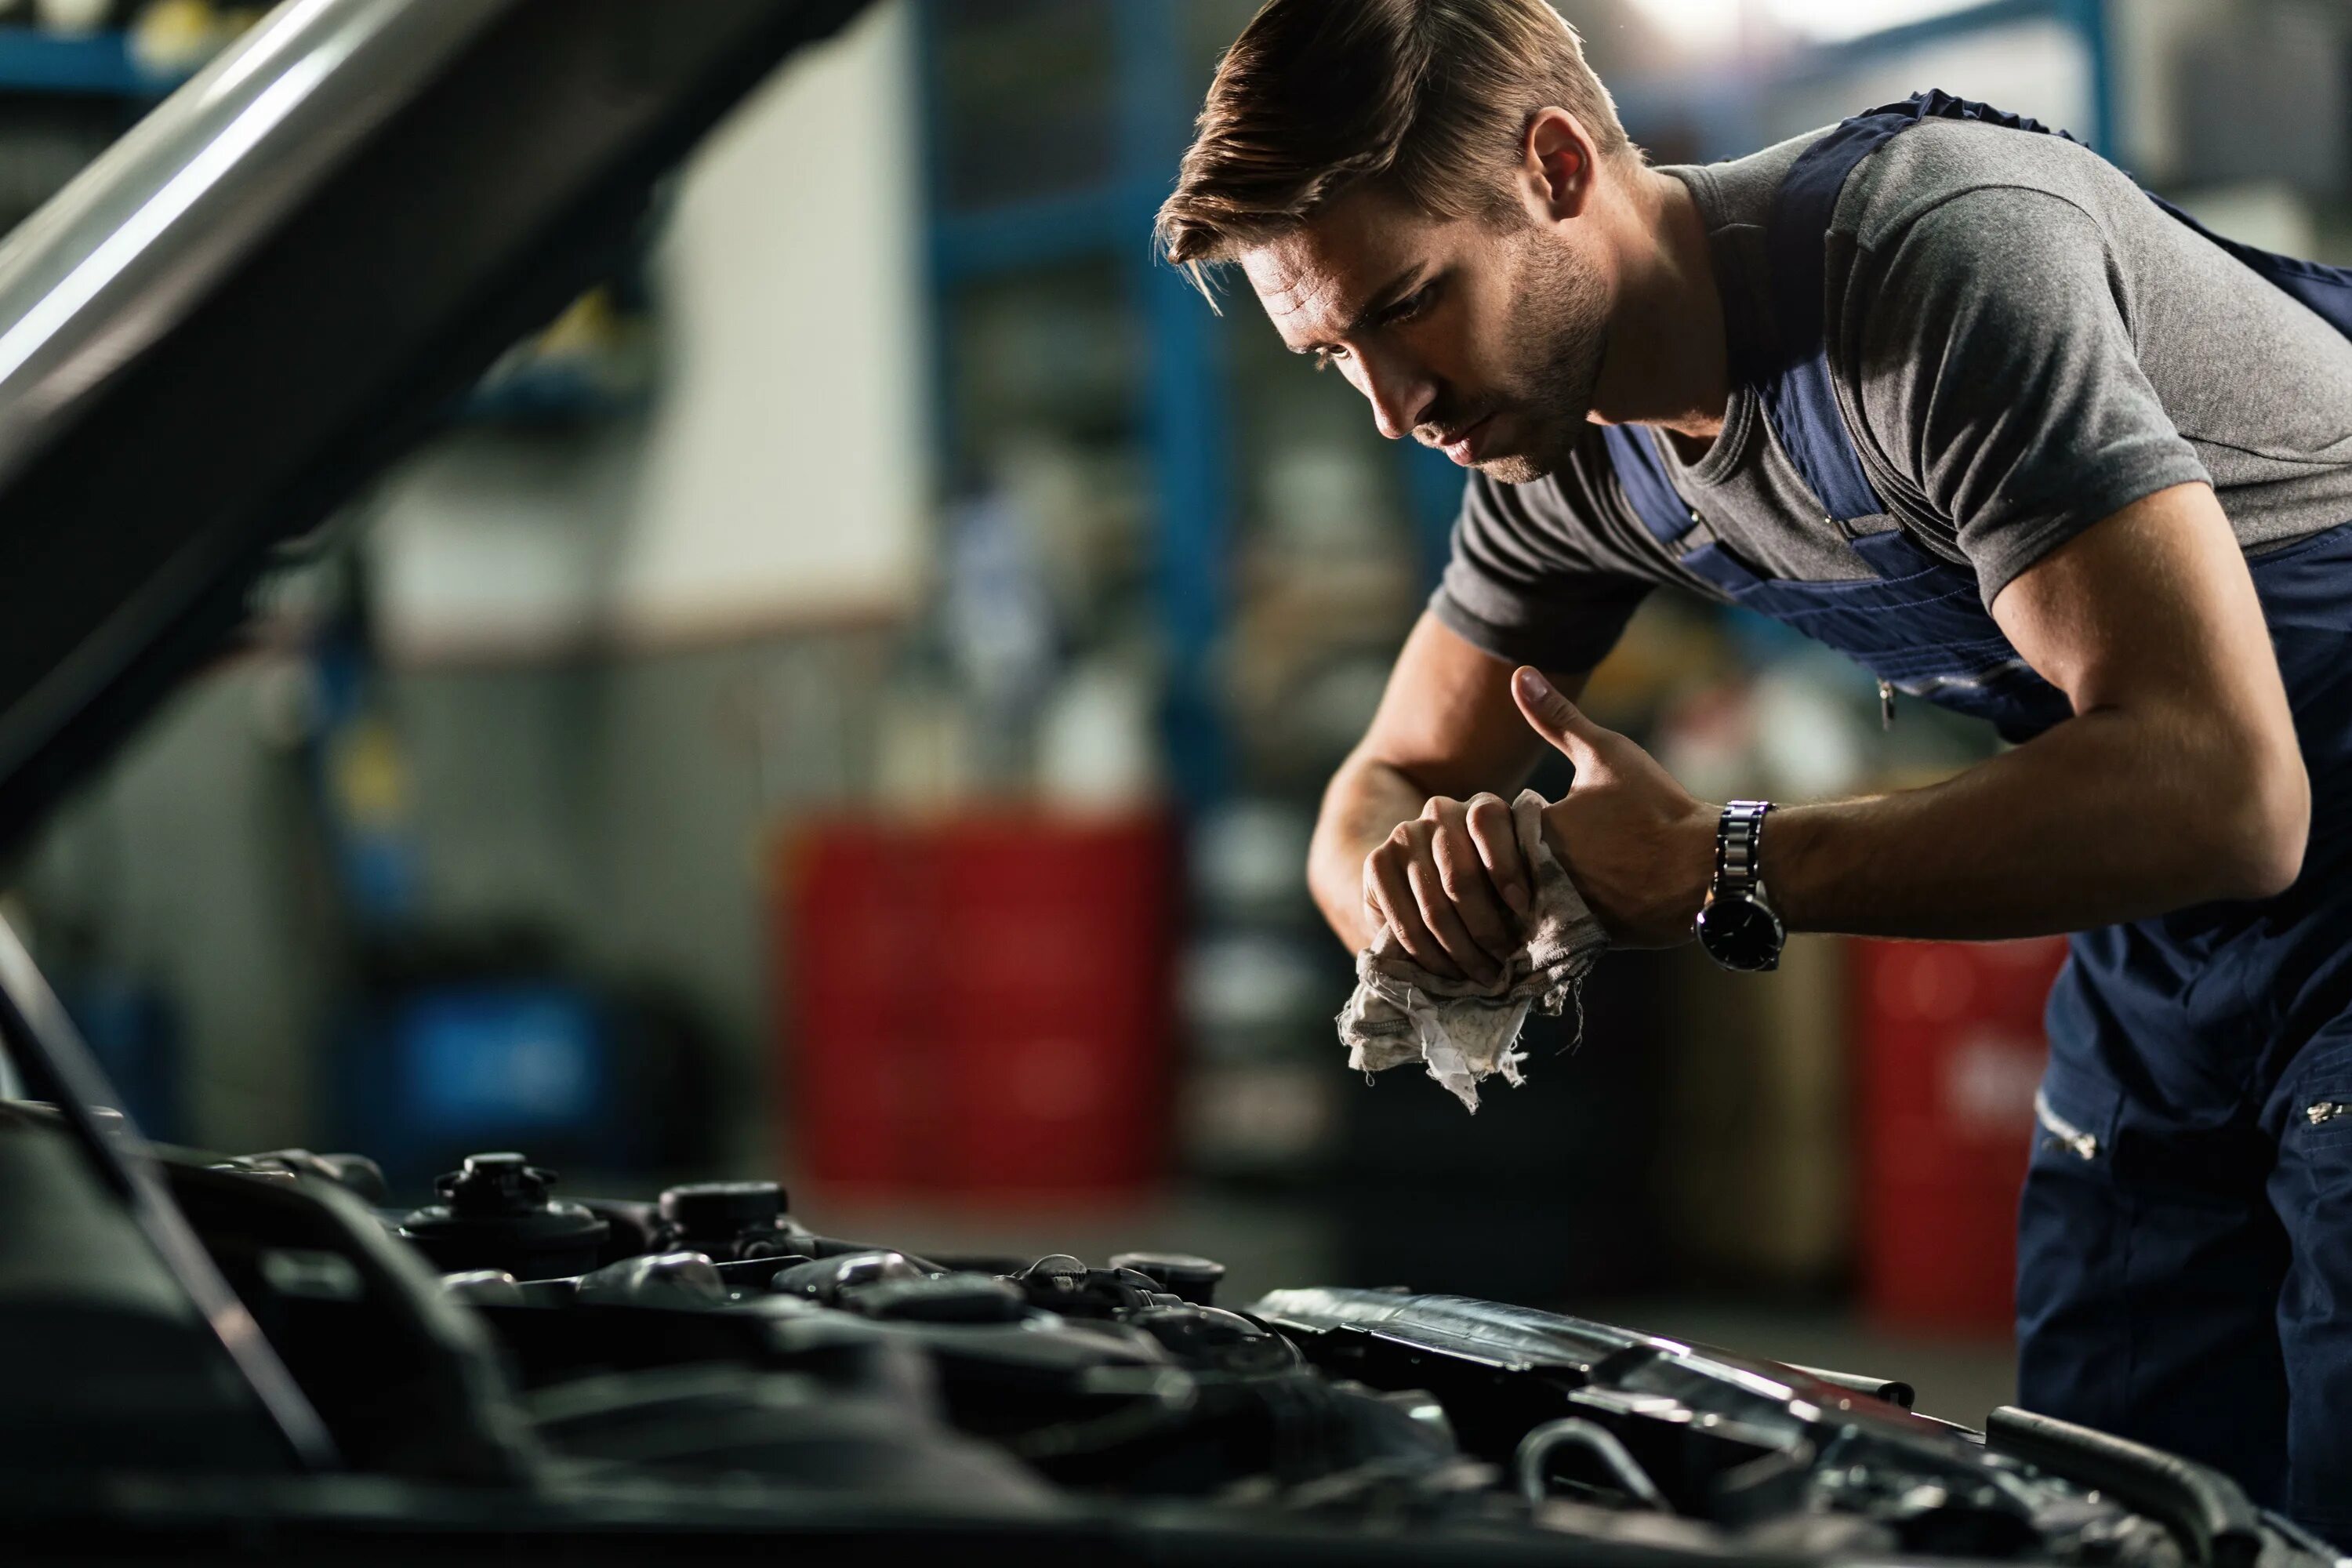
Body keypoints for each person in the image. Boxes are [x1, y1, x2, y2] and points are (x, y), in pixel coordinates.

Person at [1155, 0, 2352, 1544]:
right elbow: (1375, 787)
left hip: (2260, 828)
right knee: (2102, 1492)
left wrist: (1728, 864)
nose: (1395, 405)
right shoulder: (1558, 450)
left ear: (1558, 164)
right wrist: (1418, 894)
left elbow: (2225, 789)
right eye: (1335, 356)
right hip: (2175, 931)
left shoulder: (1934, 257)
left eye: (1408, 302)